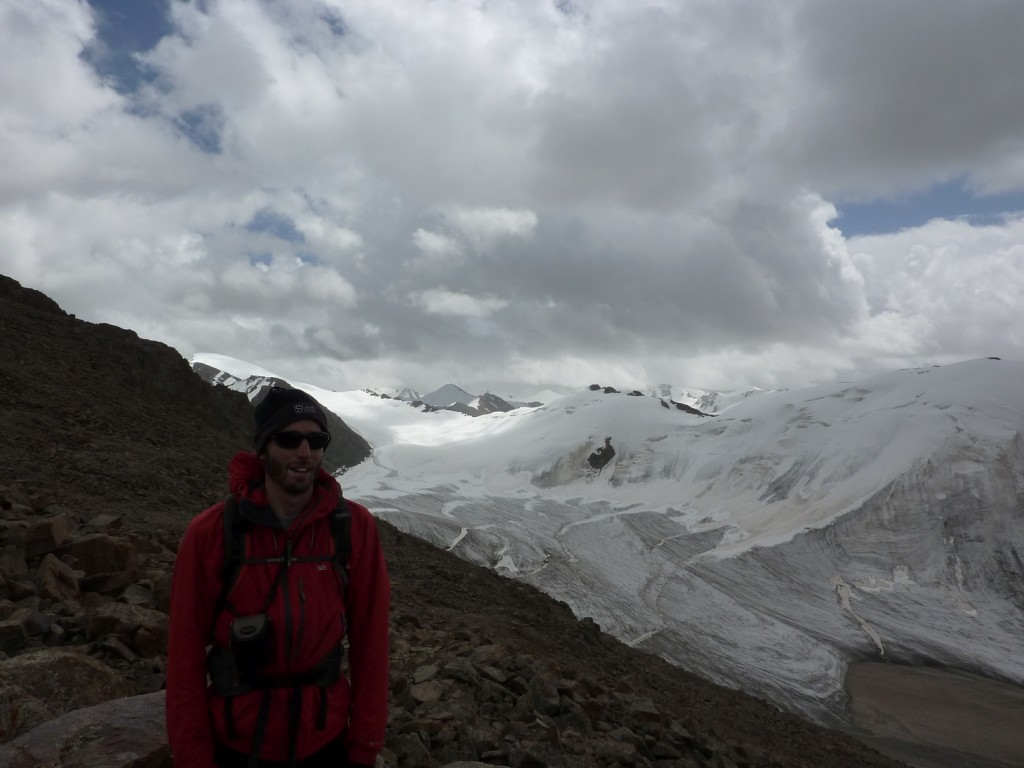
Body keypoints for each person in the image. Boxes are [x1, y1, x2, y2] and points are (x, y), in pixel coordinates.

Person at [166, 387, 390, 767]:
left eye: (316, 440)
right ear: (264, 447)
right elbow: (184, 654)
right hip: (238, 743)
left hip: (324, 741)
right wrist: (193, 757)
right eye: (289, 439)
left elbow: (372, 643)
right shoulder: (214, 533)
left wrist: (364, 746)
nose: (305, 452)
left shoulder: (353, 528)